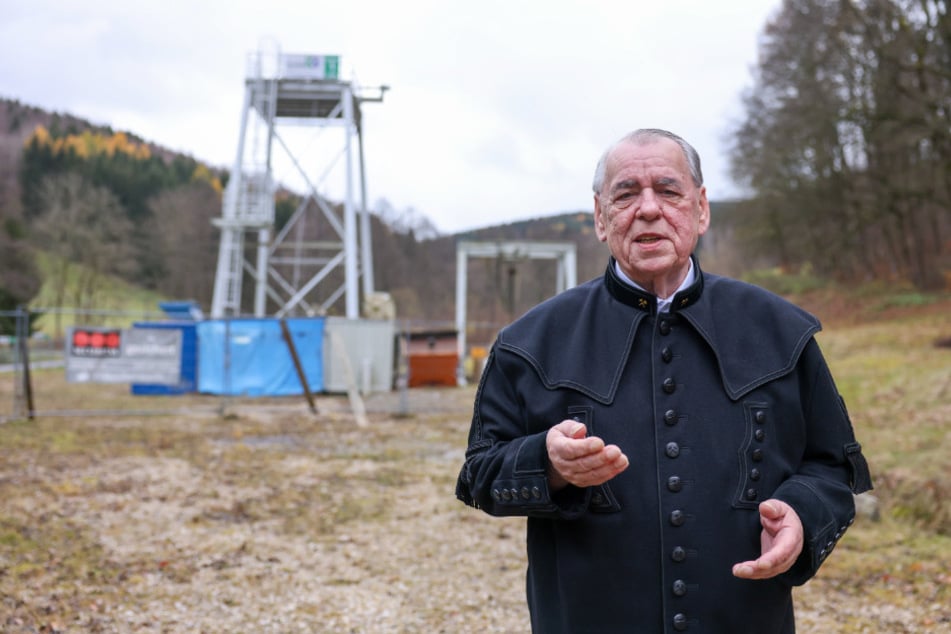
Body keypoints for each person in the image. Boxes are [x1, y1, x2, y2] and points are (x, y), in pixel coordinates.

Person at [455, 128, 873, 633]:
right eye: (626, 193)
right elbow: (479, 472)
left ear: (700, 209)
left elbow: (830, 466)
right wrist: (548, 462)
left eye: (668, 191)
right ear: (600, 217)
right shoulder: (529, 342)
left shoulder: (781, 331)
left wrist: (803, 515)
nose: (648, 209)